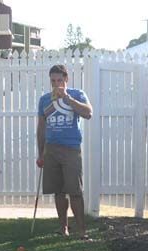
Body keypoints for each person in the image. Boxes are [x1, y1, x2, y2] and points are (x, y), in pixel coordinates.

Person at [36, 64, 93, 239]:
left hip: (71, 148)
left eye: (59, 80)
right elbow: (41, 127)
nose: (56, 84)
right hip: (51, 149)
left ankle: (82, 231)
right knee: (58, 191)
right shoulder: (45, 100)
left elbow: (88, 113)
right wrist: (41, 154)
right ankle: (63, 228)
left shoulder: (77, 94)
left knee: (75, 191)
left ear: (66, 79)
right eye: (53, 81)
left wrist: (67, 98)